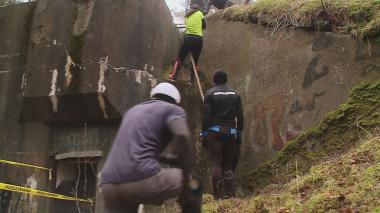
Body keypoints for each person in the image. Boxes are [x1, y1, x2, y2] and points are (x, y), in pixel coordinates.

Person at [100, 82, 202, 213]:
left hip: (109, 182)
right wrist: (186, 177)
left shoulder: (132, 111)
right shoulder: (173, 109)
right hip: (140, 178)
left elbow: (138, 148)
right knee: (195, 183)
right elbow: (182, 136)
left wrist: (167, 158)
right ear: (175, 101)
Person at [200, 69, 244, 199]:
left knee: (216, 164)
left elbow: (206, 116)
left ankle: (218, 196)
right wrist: (239, 134)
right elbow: (240, 117)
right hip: (231, 132)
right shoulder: (235, 94)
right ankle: (230, 195)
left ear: (214, 80)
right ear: (226, 80)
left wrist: (203, 134)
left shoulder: (209, 93)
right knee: (228, 165)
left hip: (215, 131)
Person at [169, 4, 206, 83]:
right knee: (195, 61)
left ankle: (174, 76)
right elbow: (204, 26)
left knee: (180, 58)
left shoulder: (186, 16)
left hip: (188, 38)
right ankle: (192, 81)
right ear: (198, 9)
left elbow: (187, 25)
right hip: (198, 40)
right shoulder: (200, 14)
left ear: (191, 9)